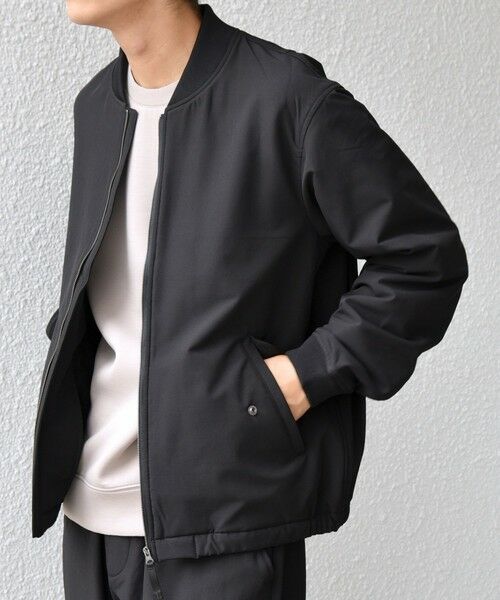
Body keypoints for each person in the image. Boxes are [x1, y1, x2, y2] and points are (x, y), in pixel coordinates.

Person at [31, 1, 468, 598]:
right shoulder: (96, 108)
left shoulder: (287, 99)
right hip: (90, 521)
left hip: (225, 530)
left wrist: (301, 377)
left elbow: (424, 257)